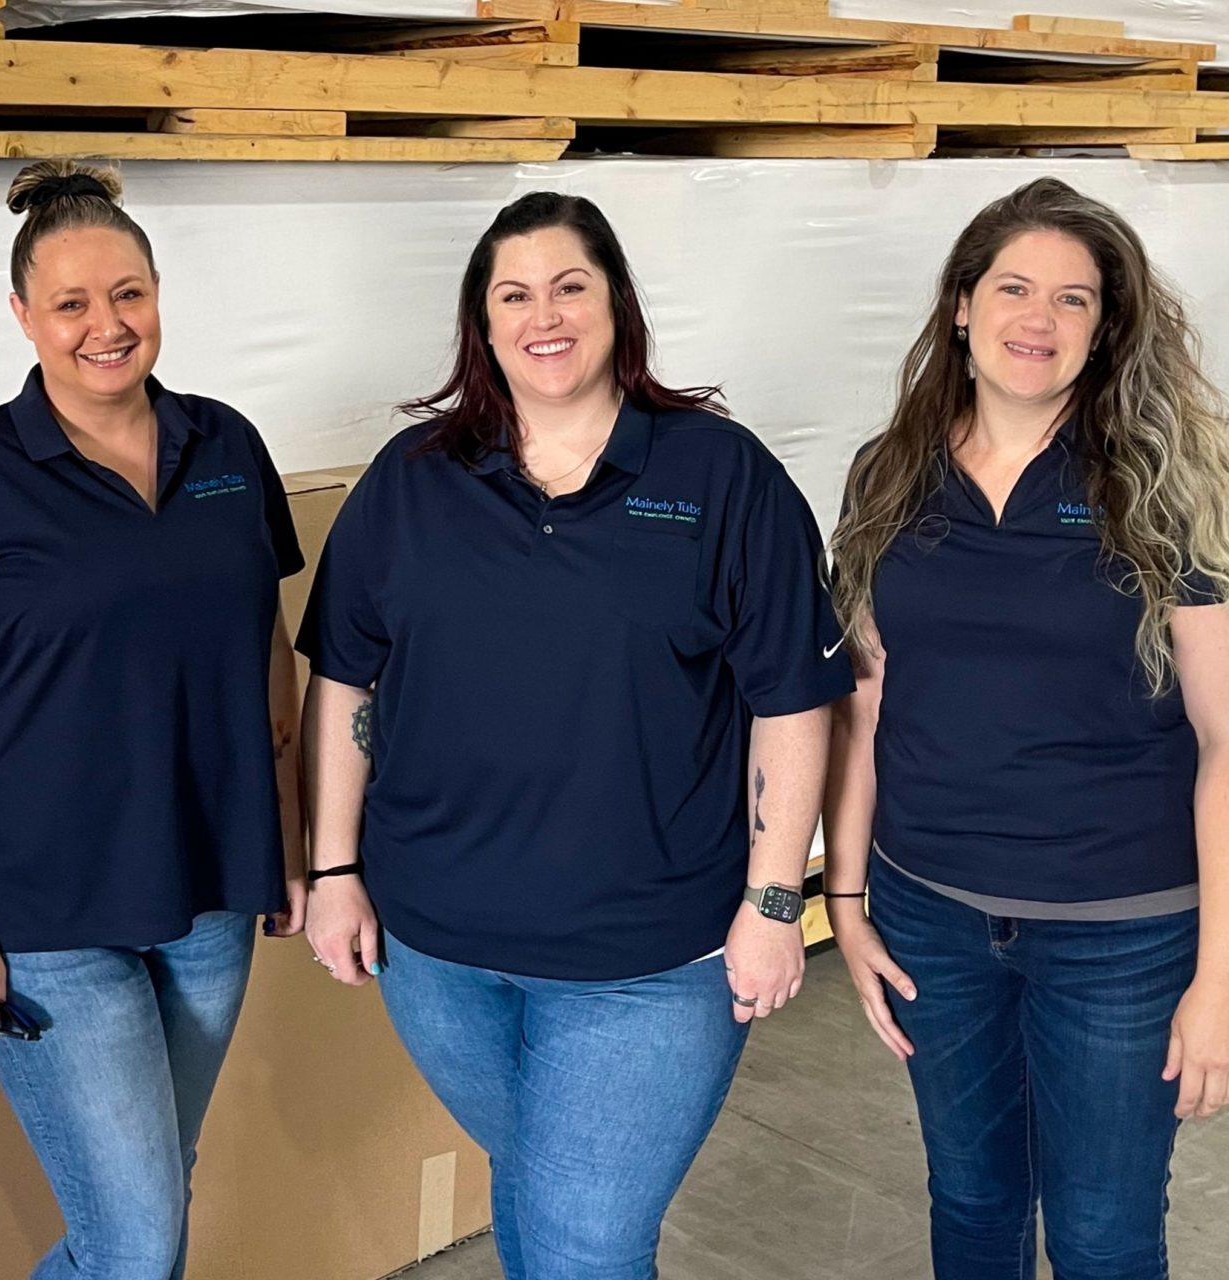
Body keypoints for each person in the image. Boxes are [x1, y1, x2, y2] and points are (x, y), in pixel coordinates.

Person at [297, 190, 853, 1279]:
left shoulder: (717, 475)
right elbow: (345, 680)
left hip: (649, 959)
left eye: (568, 286)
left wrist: (776, 898)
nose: (542, 315)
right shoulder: (411, 481)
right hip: (436, 950)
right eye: (513, 293)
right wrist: (332, 867)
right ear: (482, 323)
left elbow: (792, 699)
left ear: (615, 305)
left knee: (582, 1244)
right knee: (540, 1198)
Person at [824, 176, 1229, 1280]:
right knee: (969, 1200)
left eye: (1072, 299)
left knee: (1103, 1233)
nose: (1036, 320)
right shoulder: (889, 472)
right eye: (1012, 287)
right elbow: (864, 704)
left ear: (1104, 331)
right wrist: (846, 897)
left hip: (1124, 929)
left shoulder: (1164, 485)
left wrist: (1223, 976)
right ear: (959, 304)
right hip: (932, 913)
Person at [0, 160, 308, 1280]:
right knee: (137, 1238)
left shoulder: (227, 446)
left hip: (208, 890)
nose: (106, 326)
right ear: (21, 315)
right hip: (47, 913)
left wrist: (290, 834)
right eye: (71, 303)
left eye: (128, 294)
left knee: (149, 1200)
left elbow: (264, 645)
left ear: (158, 294)